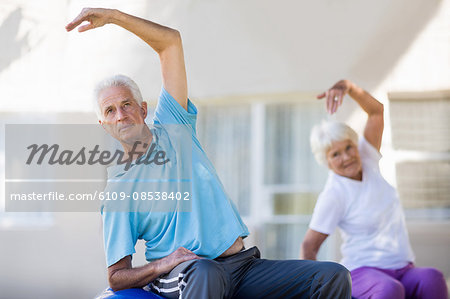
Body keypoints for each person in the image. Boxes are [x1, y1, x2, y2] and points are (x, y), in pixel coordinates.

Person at [66, 7, 352, 299]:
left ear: (143, 110)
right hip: (186, 274)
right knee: (206, 272)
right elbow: (117, 276)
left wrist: (115, 17)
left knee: (331, 276)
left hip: (243, 267)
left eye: (126, 105)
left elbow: (170, 43)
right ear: (103, 125)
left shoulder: (174, 126)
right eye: (110, 111)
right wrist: (162, 264)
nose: (120, 116)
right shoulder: (119, 190)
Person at [301, 79, 448, 299]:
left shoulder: (367, 158)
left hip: (403, 267)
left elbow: (376, 112)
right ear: (327, 162)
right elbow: (309, 246)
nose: (347, 157)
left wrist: (348, 88)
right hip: (362, 273)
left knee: (432, 278)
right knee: (389, 289)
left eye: (349, 147)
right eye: (335, 154)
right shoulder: (334, 194)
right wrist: (313, 291)